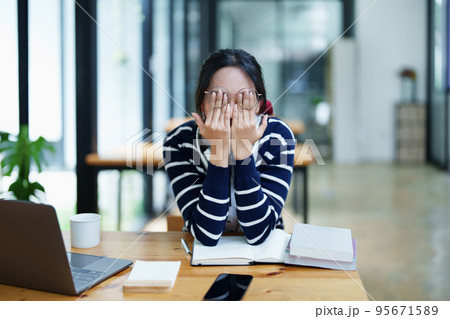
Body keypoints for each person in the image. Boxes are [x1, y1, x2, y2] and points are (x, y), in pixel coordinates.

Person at [163, 49, 295, 246]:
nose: (232, 111)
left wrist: (242, 149)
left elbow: (259, 233)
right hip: (199, 255)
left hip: (266, 255)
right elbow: (206, 234)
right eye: (219, 99)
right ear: (202, 103)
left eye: (244, 99)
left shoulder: (278, 137)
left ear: (259, 103)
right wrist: (219, 150)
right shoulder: (179, 142)